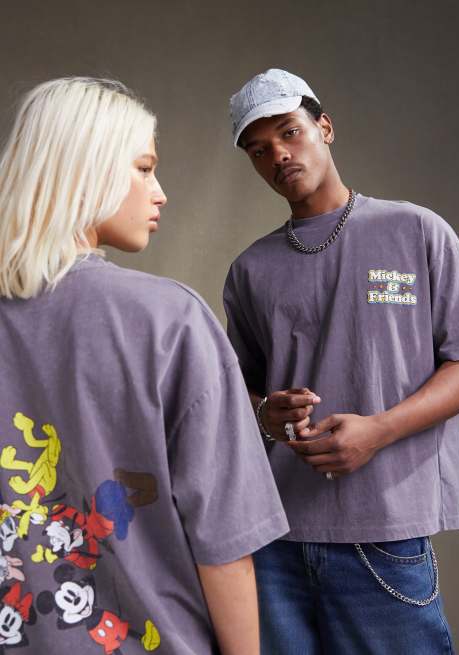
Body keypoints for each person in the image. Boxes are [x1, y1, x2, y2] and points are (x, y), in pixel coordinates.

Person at [0, 76, 288, 655]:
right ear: (86, 171)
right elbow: (225, 542)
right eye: (143, 168)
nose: (160, 194)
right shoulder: (170, 320)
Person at [224, 68, 459, 654]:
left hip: (383, 531)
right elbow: (235, 396)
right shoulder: (251, 269)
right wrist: (266, 413)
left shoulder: (415, 230)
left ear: (324, 128)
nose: (279, 155)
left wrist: (378, 431)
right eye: (259, 149)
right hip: (274, 538)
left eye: (290, 132)